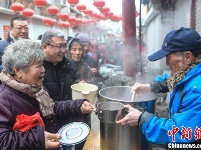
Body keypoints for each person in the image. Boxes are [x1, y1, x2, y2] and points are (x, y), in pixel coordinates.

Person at [0, 39, 94, 149]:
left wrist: (78, 105)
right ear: (18, 71)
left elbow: (53, 108)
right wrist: (38, 139)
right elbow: (3, 142)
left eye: (42, 65)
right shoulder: (3, 100)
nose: (43, 70)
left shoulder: (37, 89)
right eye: (38, 66)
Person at [116, 27, 201, 144]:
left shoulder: (197, 90)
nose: (166, 63)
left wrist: (142, 119)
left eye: (168, 57)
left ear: (187, 57)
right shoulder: (191, 72)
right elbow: (174, 80)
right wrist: (150, 86)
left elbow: (182, 133)